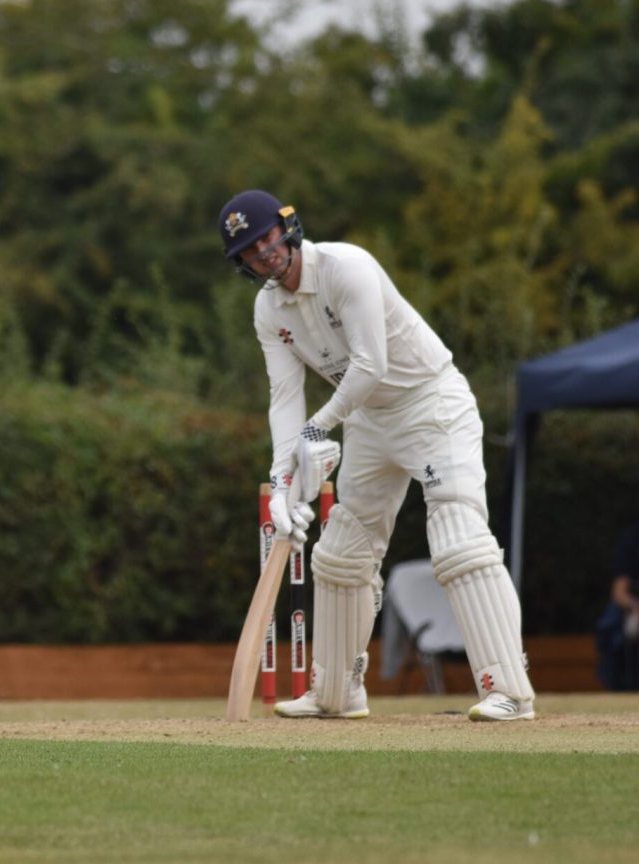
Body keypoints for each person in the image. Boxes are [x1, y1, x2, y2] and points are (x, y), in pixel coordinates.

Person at [218, 189, 535, 721]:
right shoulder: (268, 308)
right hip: (367, 419)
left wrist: (318, 429)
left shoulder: (347, 267)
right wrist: (280, 481)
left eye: (266, 238)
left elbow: (370, 365)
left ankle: (508, 690)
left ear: (288, 228)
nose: (263, 254)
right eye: (250, 251)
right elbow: (284, 397)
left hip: (430, 402)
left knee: (457, 538)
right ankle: (336, 695)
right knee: (342, 553)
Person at [594, 522, 639, 691]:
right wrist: (634, 606)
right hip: (633, 606)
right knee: (613, 628)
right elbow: (619, 591)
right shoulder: (632, 539)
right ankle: (620, 685)